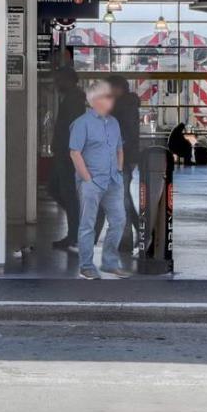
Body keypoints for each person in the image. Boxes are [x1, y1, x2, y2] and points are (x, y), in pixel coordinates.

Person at [68, 80, 131, 279]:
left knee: (119, 221)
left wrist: (119, 172)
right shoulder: (81, 123)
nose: (111, 100)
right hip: (92, 183)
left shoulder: (114, 123)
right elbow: (74, 153)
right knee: (88, 225)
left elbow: (119, 149)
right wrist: (87, 179)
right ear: (94, 100)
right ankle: (86, 266)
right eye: (107, 96)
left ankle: (109, 263)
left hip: (113, 181)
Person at [50, 66, 87, 251]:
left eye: (59, 80)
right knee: (59, 190)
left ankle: (75, 231)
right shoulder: (72, 98)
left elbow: (72, 128)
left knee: (65, 192)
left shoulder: (73, 99)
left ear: (68, 80)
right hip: (66, 153)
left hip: (68, 155)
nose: (56, 83)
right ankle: (75, 228)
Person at [106, 75, 141, 254]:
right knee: (124, 197)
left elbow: (123, 134)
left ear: (119, 88)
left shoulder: (122, 107)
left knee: (122, 200)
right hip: (126, 157)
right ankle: (142, 232)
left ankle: (125, 241)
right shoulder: (128, 105)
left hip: (121, 158)